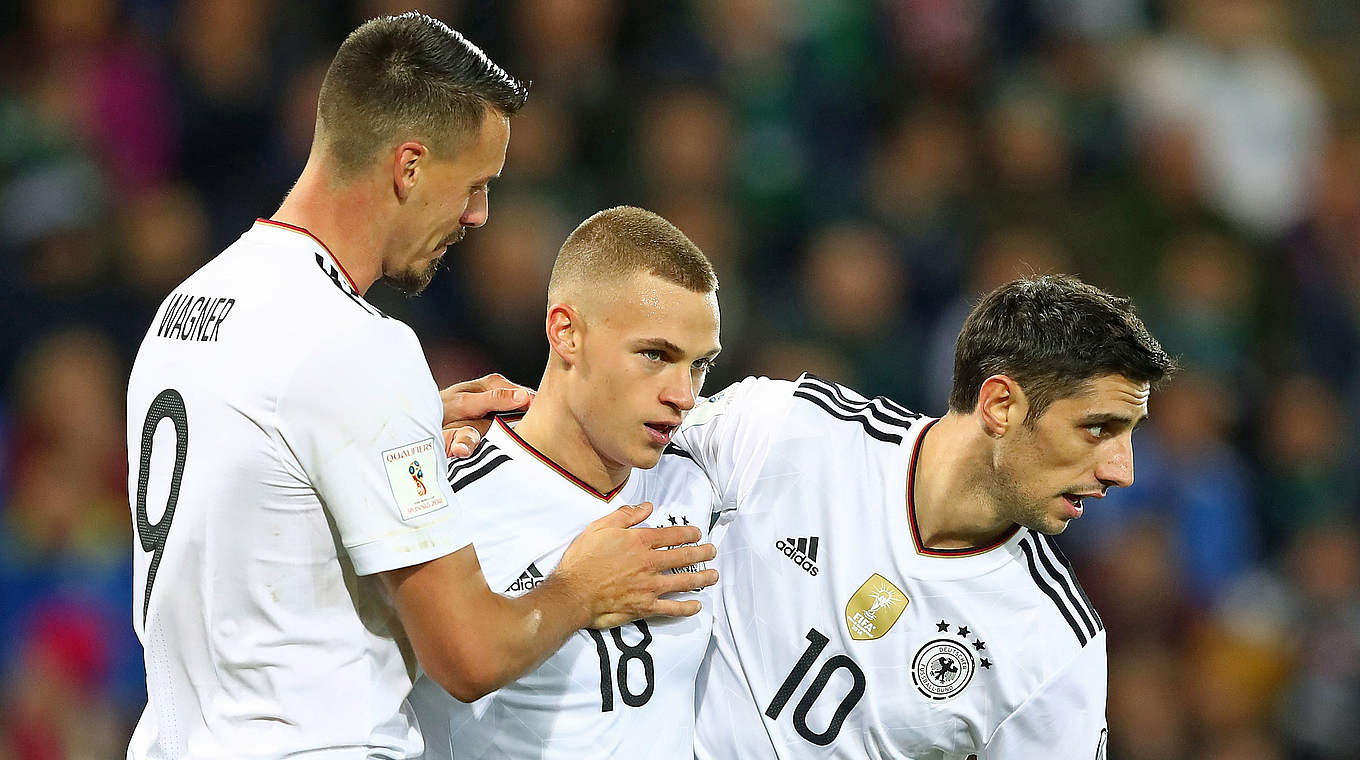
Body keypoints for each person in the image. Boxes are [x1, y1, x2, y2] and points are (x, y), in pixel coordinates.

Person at [124, 15, 714, 759]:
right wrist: (581, 587)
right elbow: (468, 658)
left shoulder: (189, 307)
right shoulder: (356, 346)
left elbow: (254, 475)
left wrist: (397, 428)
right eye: (474, 184)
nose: (478, 215)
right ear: (409, 167)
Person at [679, 275, 1176, 758]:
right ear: (1000, 405)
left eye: (1130, 433)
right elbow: (620, 468)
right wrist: (594, 579)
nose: (1123, 470)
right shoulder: (787, 429)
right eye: (1098, 428)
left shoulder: (1054, 648)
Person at [408, 206, 723, 758]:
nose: (683, 394)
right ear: (566, 332)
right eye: (655, 354)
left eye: (699, 365)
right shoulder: (453, 496)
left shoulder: (699, 481)